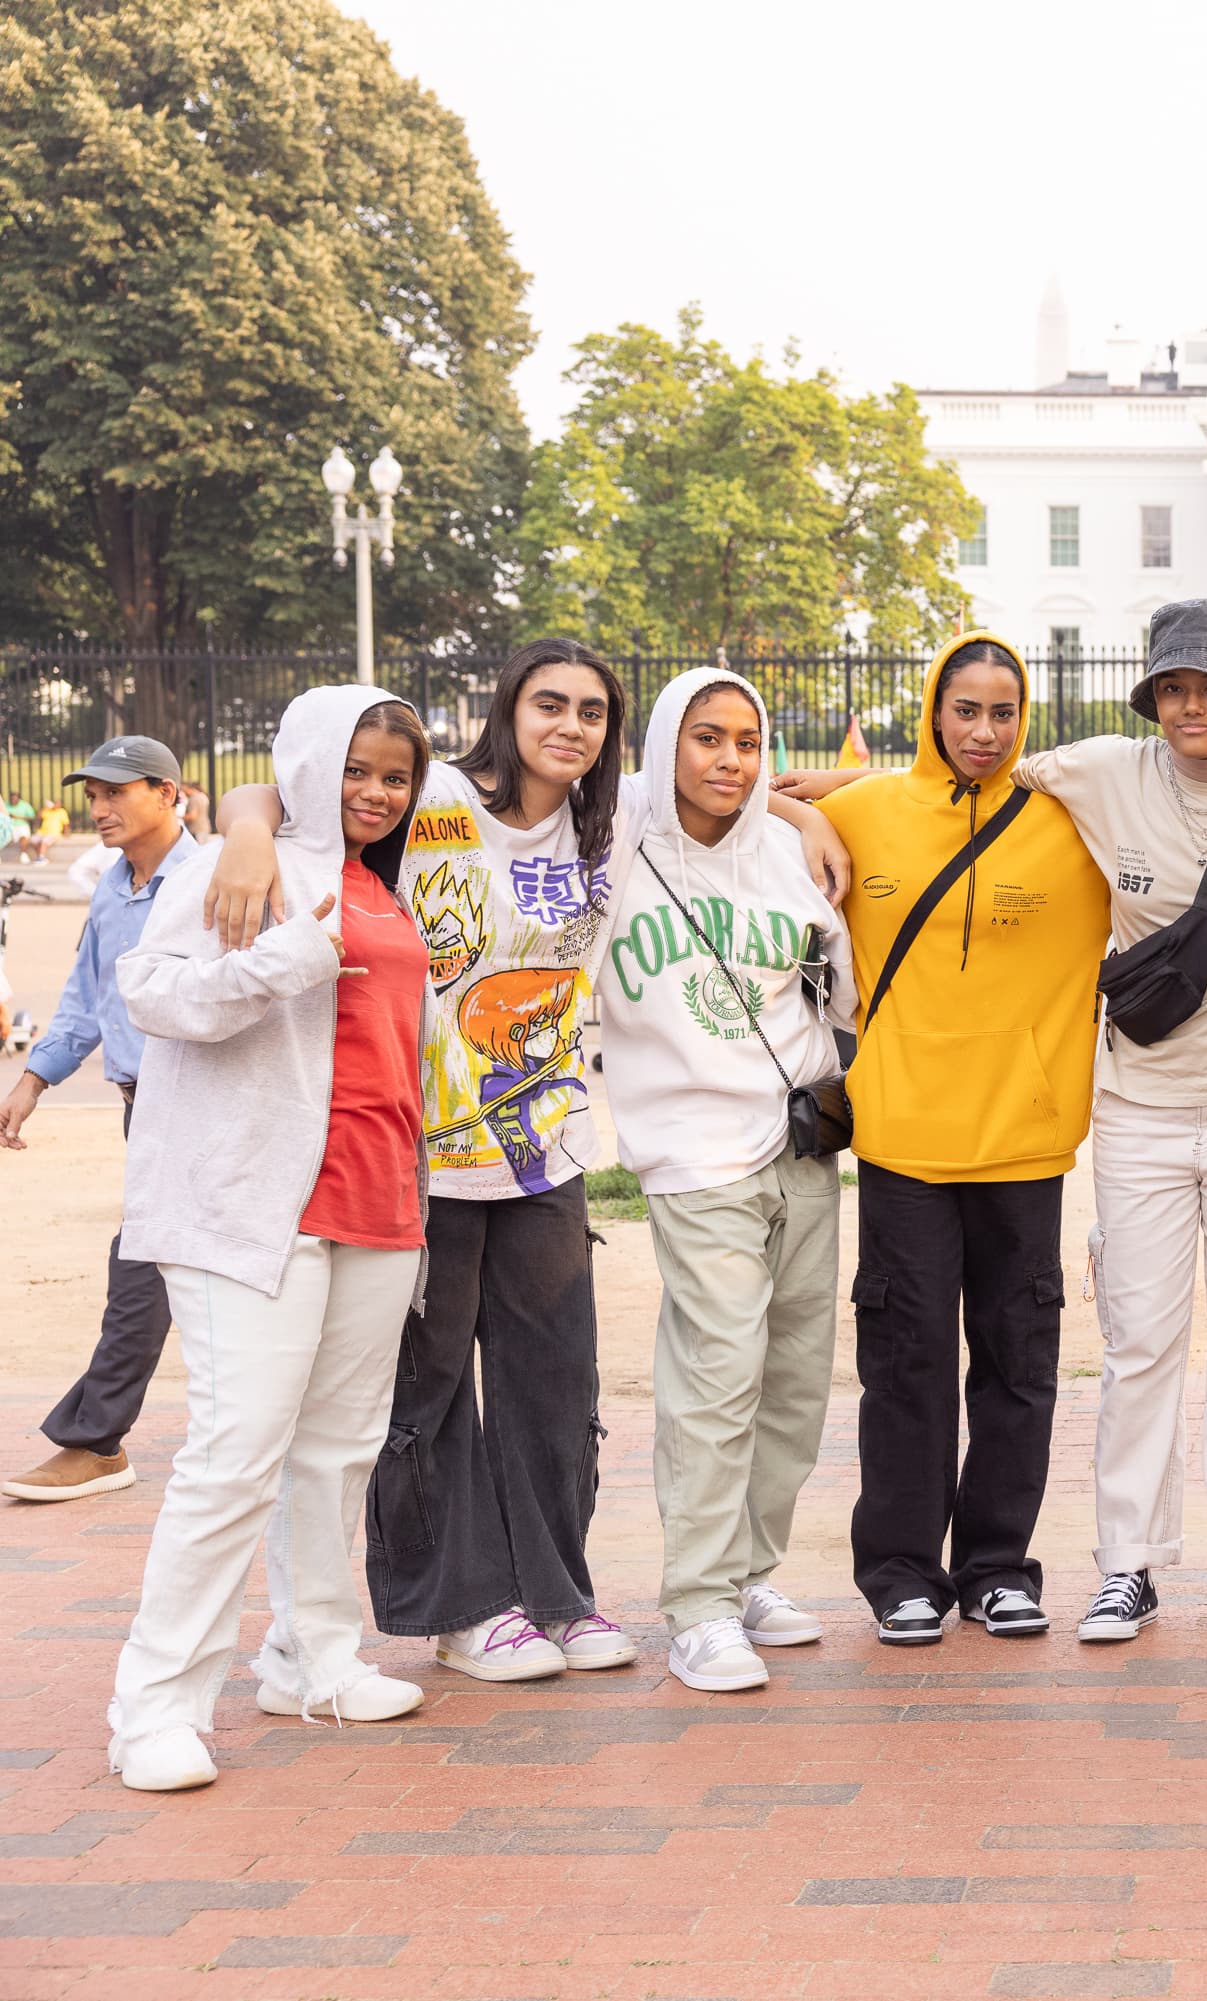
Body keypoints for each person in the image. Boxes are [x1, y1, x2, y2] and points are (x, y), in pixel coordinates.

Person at [207, 641, 853, 1680]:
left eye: (593, 712)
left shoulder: (617, 813)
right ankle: (464, 1610)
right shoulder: (435, 796)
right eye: (550, 705)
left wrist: (808, 812)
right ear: (508, 709)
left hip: (546, 1150)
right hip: (420, 1150)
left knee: (554, 1387)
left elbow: (737, 778)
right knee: (428, 1392)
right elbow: (290, 788)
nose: (571, 727)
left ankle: (558, 1595)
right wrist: (242, 830)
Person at [799, 602, 1207, 1641]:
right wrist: (810, 812)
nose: (1193, 705)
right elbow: (847, 792)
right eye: (1175, 686)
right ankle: (1124, 1564)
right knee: (1136, 1346)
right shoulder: (1096, 774)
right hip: (1127, 1112)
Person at [105, 687, 433, 1790]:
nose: (376, 794)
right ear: (306, 764)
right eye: (356, 769)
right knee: (234, 1456)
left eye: (394, 776)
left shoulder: (383, 882)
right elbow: (147, 993)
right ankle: (155, 1704)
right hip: (255, 1201)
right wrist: (279, 962)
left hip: (377, 1199)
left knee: (340, 1448)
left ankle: (312, 1658)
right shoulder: (236, 865)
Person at [774, 634, 1106, 1646]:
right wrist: (803, 806)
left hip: (1026, 1141)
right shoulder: (867, 811)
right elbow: (727, 795)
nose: (984, 731)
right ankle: (903, 1572)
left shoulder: (1068, 819)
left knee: (1019, 1361)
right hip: (905, 1140)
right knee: (907, 1361)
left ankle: (1000, 1565)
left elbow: (1202, 792)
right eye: (965, 709)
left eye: (1004, 712)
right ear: (933, 710)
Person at [599, 668, 856, 1692]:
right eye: (706, 738)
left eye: (747, 742)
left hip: (800, 1143)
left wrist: (795, 805)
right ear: (665, 744)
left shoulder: (788, 848)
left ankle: (748, 1572)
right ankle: (697, 1603)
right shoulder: (614, 834)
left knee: (794, 1378)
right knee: (717, 1373)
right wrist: (253, 817)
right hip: (693, 1152)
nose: (728, 761)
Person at [0, 739, 196, 1503]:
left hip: (202, 1101)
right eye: (93, 794)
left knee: (141, 1263)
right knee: (165, 1264)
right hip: (141, 1106)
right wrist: (35, 1077)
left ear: (167, 792)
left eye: (117, 791)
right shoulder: (114, 887)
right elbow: (87, 995)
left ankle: (96, 1439)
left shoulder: (212, 878)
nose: (100, 808)